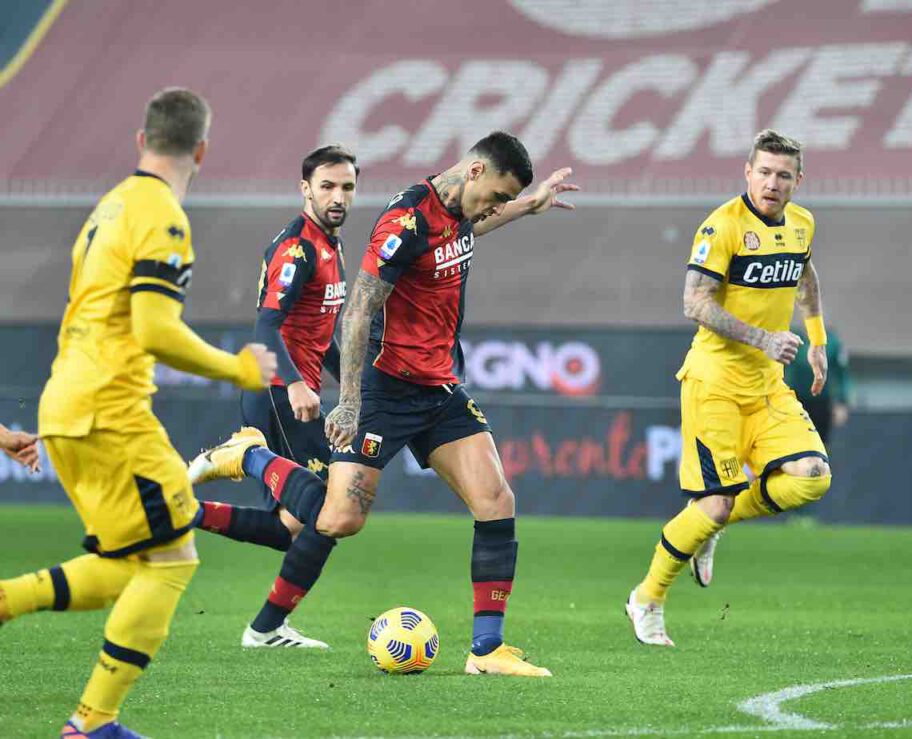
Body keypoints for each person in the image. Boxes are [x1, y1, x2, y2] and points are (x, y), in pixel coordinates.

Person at [191, 131, 577, 677]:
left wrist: (524, 209)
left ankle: (487, 651)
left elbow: (471, 228)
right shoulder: (405, 221)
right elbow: (358, 312)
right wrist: (348, 402)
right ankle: (247, 464)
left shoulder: (459, 213)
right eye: (495, 195)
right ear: (472, 173)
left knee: (496, 499)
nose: (494, 206)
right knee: (337, 518)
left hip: (439, 389)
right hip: (386, 390)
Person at [0, 88, 276, 738]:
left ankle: (10, 600)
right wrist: (237, 367)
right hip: (110, 410)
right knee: (175, 558)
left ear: (139, 140)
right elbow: (154, 328)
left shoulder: (109, 206)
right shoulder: (163, 216)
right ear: (201, 150)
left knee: (135, 563)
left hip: (64, 402)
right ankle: (93, 721)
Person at [625, 129, 832, 647]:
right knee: (711, 505)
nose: (773, 182)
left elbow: (807, 278)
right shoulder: (722, 227)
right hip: (714, 384)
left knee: (812, 477)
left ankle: (710, 524)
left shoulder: (802, 224)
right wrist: (763, 337)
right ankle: (647, 599)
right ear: (748, 172)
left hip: (768, 387)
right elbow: (694, 303)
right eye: (764, 172)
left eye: (784, 175)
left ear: (798, 181)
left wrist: (817, 340)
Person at [189, 145, 358, 649]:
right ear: (305, 188)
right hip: (277, 390)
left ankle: (186, 513)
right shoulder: (299, 248)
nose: (337, 196)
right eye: (327, 185)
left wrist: (350, 385)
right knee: (330, 510)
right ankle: (247, 455)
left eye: (346, 186)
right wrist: (298, 383)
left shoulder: (331, 245)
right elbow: (267, 324)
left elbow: (320, 335)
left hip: (290, 388)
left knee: (289, 527)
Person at [784, 324, 851, 445]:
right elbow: (779, 368)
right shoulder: (793, 337)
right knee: (794, 443)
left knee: (819, 444)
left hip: (821, 401)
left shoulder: (832, 341)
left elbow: (841, 373)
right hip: (795, 400)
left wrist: (842, 402)